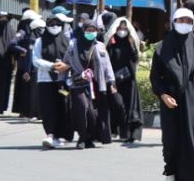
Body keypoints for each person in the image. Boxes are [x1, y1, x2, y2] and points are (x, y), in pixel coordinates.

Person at [150, 6, 194, 181]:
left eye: (188, 21)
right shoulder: (162, 48)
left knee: (191, 141)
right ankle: (171, 171)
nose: (184, 25)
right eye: (180, 21)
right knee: (171, 140)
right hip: (170, 101)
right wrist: (163, 95)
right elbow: (155, 77)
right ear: (173, 22)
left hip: (193, 101)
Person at [64, 19, 115, 148]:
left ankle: (89, 138)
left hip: (96, 84)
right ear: (83, 30)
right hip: (78, 83)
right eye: (88, 30)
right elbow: (66, 63)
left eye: (93, 30)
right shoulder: (73, 45)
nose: (91, 32)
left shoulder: (100, 46)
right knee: (82, 107)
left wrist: (111, 82)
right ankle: (81, 137)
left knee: (93, 113)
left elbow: (107, 65)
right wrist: (62, 80)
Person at [32, 11, 74, 148]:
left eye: (57, 24)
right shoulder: (40, 41)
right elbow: (35, 60)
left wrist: (65, 66)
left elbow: (74, 60)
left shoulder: (68, 41)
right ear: (47, 25)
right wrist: (52, 66)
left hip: (64, 82)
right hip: (46, 81)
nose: (54, 26)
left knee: (64, 106)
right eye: (51, 24)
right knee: (48, 108)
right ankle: (50, 135)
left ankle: (61, 135)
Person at [106, 16, 143, 142]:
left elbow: (135, 59)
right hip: (115, 81)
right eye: (120, 28)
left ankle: (129, 133)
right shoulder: (111, 43)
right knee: (118, 104)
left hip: (129, 81)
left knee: (130, 106)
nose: (122, 31)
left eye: (124, 28)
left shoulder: (132, 42)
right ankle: (115, 130)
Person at [10, 12, 39, 118]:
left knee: (31, 91)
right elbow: (12, 43)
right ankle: (24, 111)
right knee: (25, 91)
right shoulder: (22, 32)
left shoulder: (34, 32)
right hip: (24, 66)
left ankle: (31, 111)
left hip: (33, 65)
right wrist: (22, 50)